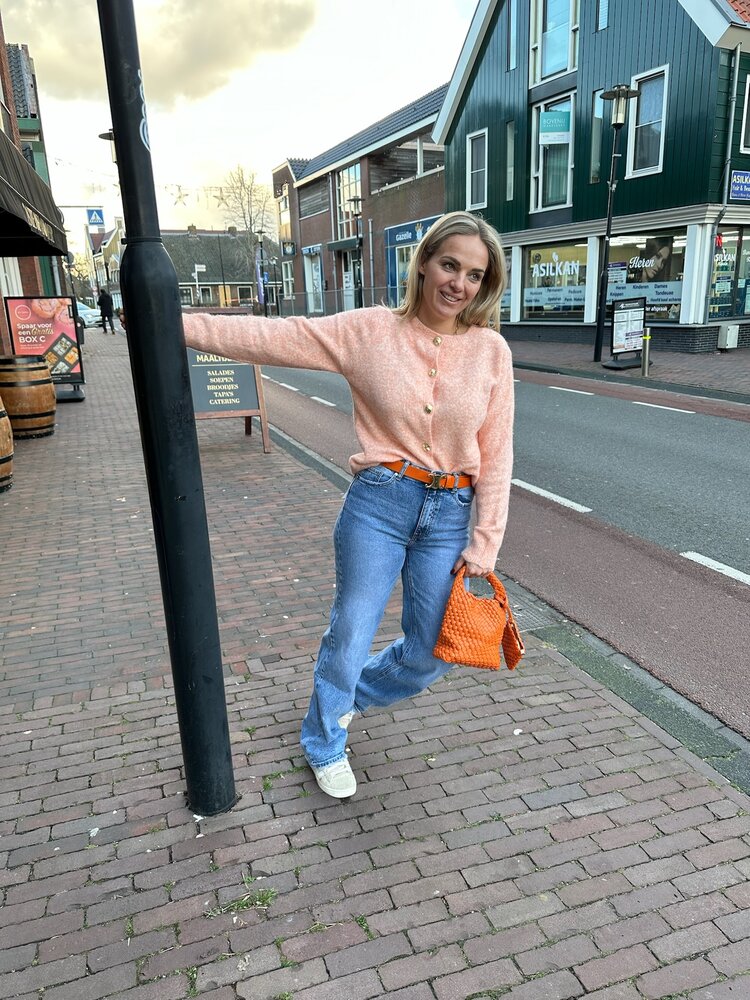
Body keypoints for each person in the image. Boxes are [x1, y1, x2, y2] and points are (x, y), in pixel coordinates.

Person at [182, 211, 515, 800]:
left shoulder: (491, 352)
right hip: (381, 504)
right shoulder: (369, 331)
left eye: (473, 274)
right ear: (423, 263)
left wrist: (484, 544)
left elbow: (498, 451)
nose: (458, 283)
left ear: (484, 285)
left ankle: (341, 696)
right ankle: (325, 738)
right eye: (449, 264)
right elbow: (272, 337)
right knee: (353, 628)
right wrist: (175, 322)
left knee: (430, 652)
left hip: (450, 516)